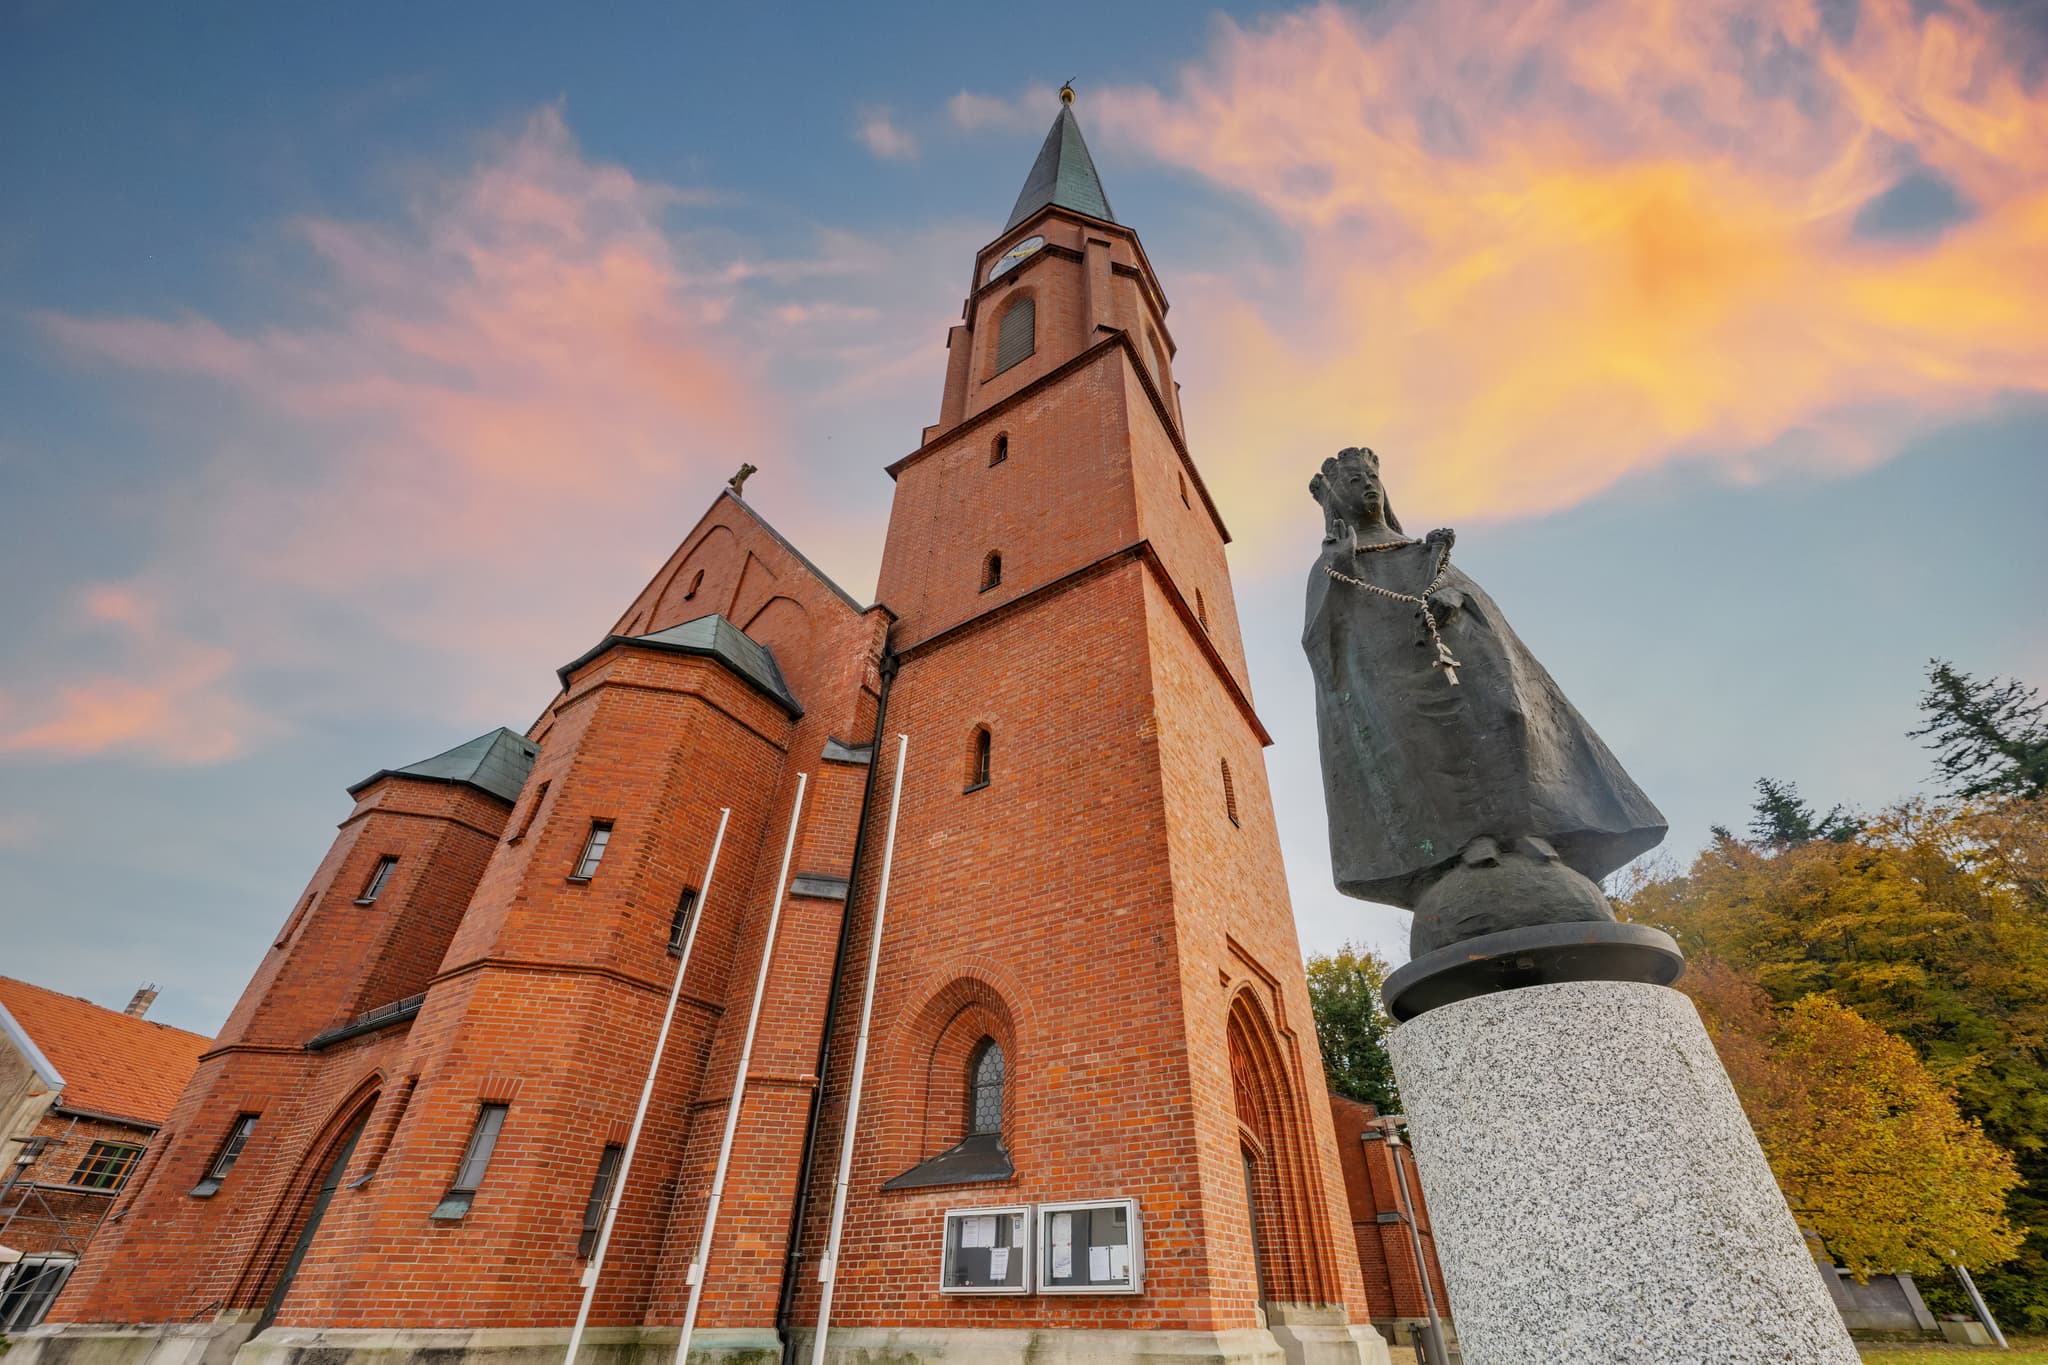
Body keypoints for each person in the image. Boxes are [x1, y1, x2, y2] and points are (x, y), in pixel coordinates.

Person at [1303, 446, 1666, 959]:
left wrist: (1456, 601)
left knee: (1508, 720)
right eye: (1355, 481)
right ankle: (1467, 844)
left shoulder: (1422, 548)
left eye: (1372, 479)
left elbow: (1477, 603)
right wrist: (1339, 568)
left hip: (1461, 660)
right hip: (1393, 677)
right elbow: (1321, 642)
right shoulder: (1333, 563)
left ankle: (1528, 832)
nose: (1367, 487)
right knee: (1423, 749)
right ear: (1336, 498)